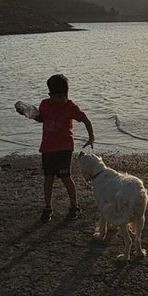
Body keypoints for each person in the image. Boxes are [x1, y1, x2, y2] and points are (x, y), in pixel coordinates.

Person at [35, 73, 95, 222]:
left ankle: (74, 205)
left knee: (66, 177)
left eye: (65, 95)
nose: (63, 99)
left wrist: (91, 137)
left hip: (64, 148)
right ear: (50, 95)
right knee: (48, 178)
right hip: (47, 148)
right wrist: (27, 113)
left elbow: (85, 119)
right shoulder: (44, 105)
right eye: (59, 96)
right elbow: (40, 118)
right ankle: (48, 207)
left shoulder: (70, 107)